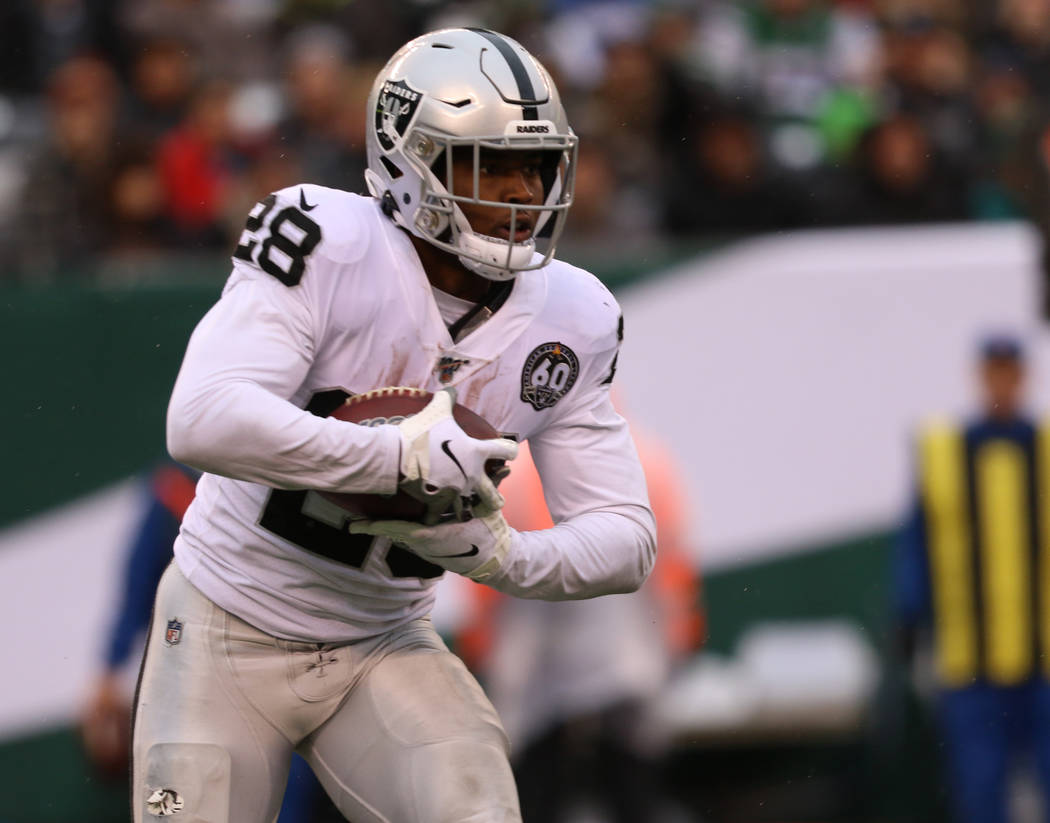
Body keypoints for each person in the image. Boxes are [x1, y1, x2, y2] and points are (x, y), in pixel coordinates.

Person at [132, 27, 656, 823]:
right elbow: (201, 419)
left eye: (538, 165)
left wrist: (508, 555)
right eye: (492, 165)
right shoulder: (324, 240)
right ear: (411, 164)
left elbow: (627, 536)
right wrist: (392, 460)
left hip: (384, 638)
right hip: (224, 622)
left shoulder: (575, 315)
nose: (523, 193)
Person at [460, 433, 703, 823]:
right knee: (553, 771)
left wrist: (676, 634)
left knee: (618, 771)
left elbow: (669, 557)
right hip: (545, 630)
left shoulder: (639, 458)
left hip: (615, 626)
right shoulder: (640, 457)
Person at [893, 335, 1050, 823]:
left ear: (1022, 376)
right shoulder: (945, 451)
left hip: (1043, 657)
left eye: (1009, 371)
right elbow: (916, 543)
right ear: (979, 376)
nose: (1001, 382)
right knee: (979, 792)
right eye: (992, 371)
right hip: (970, 660)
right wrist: (909, 613)